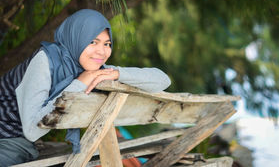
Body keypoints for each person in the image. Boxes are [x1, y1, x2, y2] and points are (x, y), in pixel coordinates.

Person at [0, 9, 171, 166]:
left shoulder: (92, 70)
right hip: (7, 137)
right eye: (93, 42)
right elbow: (31, 130)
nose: (102, 51)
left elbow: (163, 80)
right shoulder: (45, 60)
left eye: (107, 44)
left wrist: (116, 73)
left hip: (18, 143)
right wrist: (80, 83)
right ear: (76, 37)